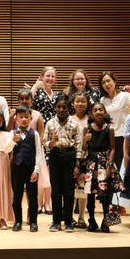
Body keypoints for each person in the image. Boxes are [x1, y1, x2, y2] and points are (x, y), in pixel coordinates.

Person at [7, 88, 50, 215]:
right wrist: (10, 118)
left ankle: (31, 217)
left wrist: (38, 145)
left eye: (27, 98)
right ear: (18, 100)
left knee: (32, 190)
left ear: (32, 100)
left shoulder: (37, 114)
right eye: (22, 98)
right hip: (17, 152)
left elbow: (41, 133)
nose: (25, 101)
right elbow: (9, 131)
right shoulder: (15, 114)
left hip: (33, 150)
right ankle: (18, 218)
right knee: (17, 189)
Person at [44, 93, 82, 232]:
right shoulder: (49, 123)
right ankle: (56, 222)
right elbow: (45, 143)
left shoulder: (74, 123)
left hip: (69, 156)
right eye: (58, 107)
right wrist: (51, 143)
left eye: (64, 107)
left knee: (68, 191)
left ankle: (68, 222)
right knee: (56, 191)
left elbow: (78, 144)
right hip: (55, 156)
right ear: (55, 108)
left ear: (68, 108)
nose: (61, 109)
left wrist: (77, 164)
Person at [83, 102, 117, 233]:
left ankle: (106, 221)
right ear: (91, 113)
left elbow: (113, 148)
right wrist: (85, 140)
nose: (98, 112)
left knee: (105, 194)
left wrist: (109, 164)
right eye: (95, 110)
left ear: (105, 112)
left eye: (101, 109)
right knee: (90, 193)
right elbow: (84, 148)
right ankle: (91, 220)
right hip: (91, 163)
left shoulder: (110, 128)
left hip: (104, 162)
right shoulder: (87, 128)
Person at [10, 106, 43, 232]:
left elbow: (38, 153)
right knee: (17, 196)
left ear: (30, 118)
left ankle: (33, 222)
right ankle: (18, 221)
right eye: (21, 117)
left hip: (30, 168)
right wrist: (13, 141)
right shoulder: (12, 133)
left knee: (32, 196)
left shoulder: (34, 134)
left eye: (26, 117)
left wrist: (37, 170)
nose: (23, 119)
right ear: (16, 119)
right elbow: (7, 149)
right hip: (16, 168)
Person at [99, 71, 130, 171]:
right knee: (112, 168)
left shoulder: (126, 95)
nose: (106, 84)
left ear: (115, 81)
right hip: (109, 136)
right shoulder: (102, 100)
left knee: (124, 167)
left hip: (124, 135)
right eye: (103, 82)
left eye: (108, 81)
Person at [69, 91, 90, 229]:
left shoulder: (91, 119)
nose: (80, 103)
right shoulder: (69, 119)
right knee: (70, 189)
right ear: (72, 103)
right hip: (70, 158)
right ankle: (69, 217)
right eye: (77, 101)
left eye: (83, 101)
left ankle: (82, 217)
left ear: (87, 103)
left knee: (83, 190)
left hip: (87, 158)